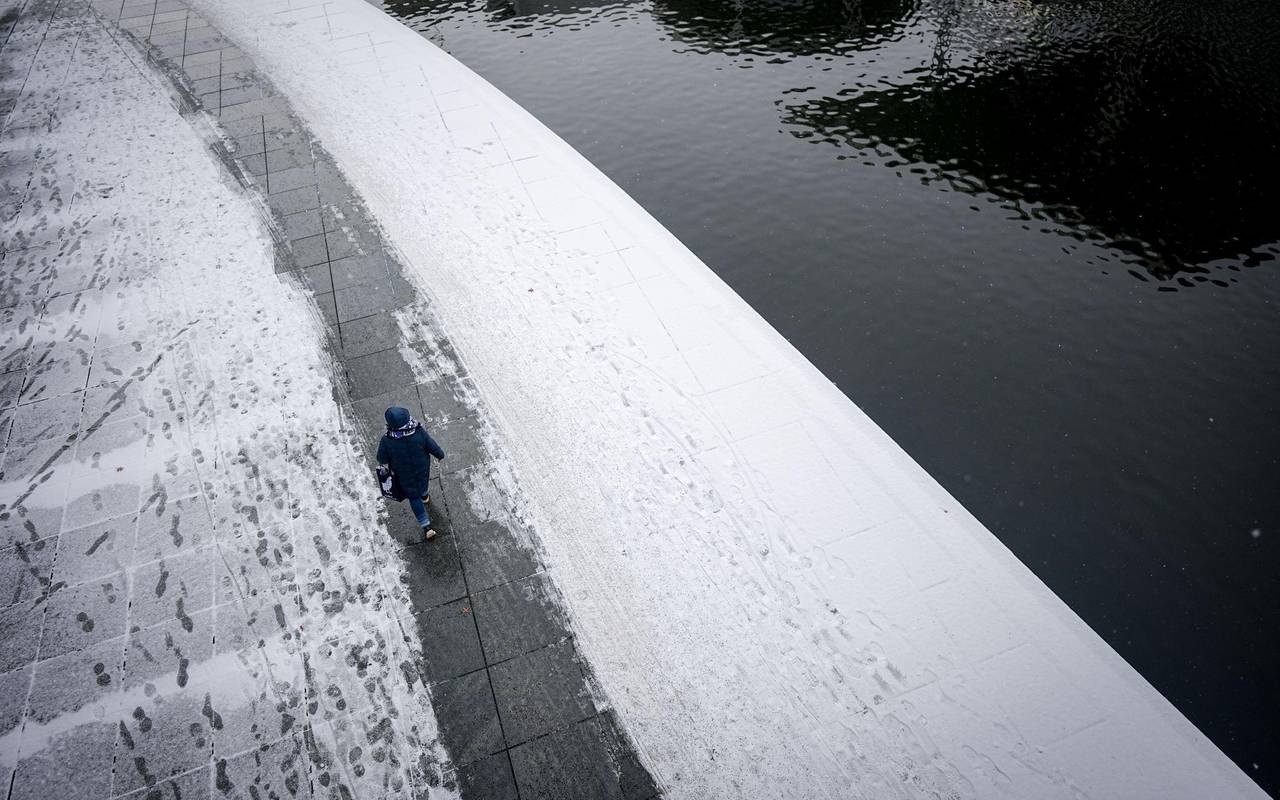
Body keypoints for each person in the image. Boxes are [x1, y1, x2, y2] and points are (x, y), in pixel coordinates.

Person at [376, 406, 445, 540]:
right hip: (422, 468)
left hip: (403, 475)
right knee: (423, 483)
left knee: (413, 497)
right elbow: (431, 445)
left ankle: (426, 527)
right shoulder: (418, 431)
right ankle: (425, 495)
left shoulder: (386, 440)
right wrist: (439, 454)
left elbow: (382, 458)